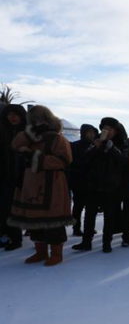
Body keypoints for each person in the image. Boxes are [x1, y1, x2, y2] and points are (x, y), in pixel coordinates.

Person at [8, 105, 74, 266]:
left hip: (52, 184)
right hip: (30, 185)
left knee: (53, 221)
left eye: (41, 119)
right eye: (34, 120)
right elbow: (15, 146)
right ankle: (40, 252)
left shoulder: (57, 138)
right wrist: (29, 134)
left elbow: (64, 160)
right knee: (34, 221)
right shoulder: (29, 137)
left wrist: (36, 156)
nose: (38, 123)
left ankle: (56, 253)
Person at [72, 117, 129, 253]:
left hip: (111, 186)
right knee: (89, 214)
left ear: (116, 131)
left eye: (110, 129)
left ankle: (106, 243)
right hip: (93, 184)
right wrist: (94, 148)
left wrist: (113, 148)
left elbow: (125, 162)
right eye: (105, 128)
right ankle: (86, 242)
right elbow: (84, 160)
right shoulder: (96, 141)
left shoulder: (122, 144)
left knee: (109, 216)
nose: (107, 131)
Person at [0, 104, 27, 251]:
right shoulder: (3, 132)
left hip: (26, 176)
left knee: (26, 208)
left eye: (15, 114)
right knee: (7, 208)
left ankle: (37, 238)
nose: (13, 117)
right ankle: (13, 236)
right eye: (9, 114)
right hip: (6, 176)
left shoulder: (29, 132)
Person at [69, 123, 98, 236]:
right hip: (79, 180)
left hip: (92, 181)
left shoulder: (96, 145)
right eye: (89, 132)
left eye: (93, 132)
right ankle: (76, 228)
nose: (92, 134)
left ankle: (89, 227)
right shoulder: (75, 146)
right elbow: (74, 162)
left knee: (91, 208)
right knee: (78, 207)